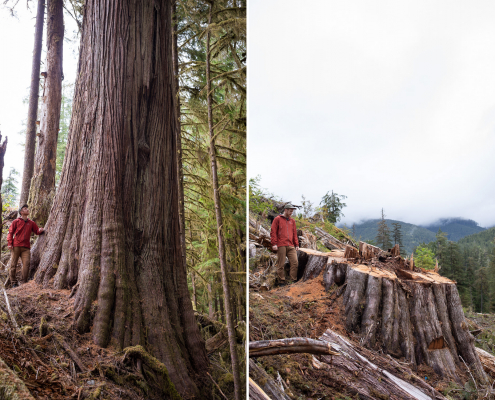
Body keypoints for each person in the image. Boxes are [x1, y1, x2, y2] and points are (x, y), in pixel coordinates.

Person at [7, 204, 44, 287]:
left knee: (26, 264)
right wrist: (9, 243)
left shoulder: (31, 223)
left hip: (26, 248)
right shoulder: (16, 221)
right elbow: (10, 233)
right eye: (25, 209)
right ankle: (14, 283)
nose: (27, 210)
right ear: (21, 212)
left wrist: (40, 230)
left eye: (27, 208)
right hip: (16, 246)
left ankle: (23, 282)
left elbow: (36, 231)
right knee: (13, 265)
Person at [270, 204, 299, 284]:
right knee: (281, 264)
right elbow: (273, 232)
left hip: (291, 245)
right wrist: (274, 244)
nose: (291, 212)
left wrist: (296, 244)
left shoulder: (292, 221)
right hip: (281, 245)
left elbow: (294, 233)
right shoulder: (277, 219)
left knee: (295, 262)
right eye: (290, 211)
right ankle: (281, 281)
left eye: (292, 211)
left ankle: (293, 280)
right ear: (285, 210)